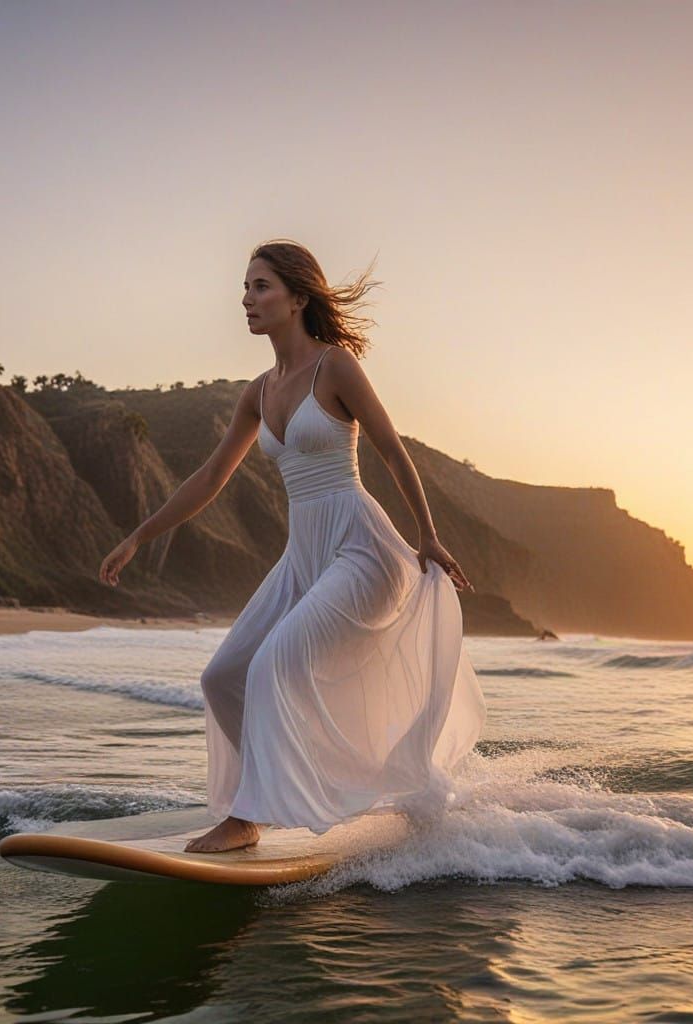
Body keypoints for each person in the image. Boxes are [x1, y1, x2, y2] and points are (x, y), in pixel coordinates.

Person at [99, 239, 486, 853]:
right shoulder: (257, 391)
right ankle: (264, 803)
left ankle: (250, 815)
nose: (246, 299)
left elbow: (392, 449)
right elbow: (208, 479)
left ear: (298, 297)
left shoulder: (335, 367)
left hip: (362, 549)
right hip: (304, 556)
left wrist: (428, 534)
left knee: (274, 662)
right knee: (224, 677)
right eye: (246, 288)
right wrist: (138, 537)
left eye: (260, 287)